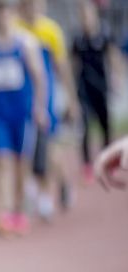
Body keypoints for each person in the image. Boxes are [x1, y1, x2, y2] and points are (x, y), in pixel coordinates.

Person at [0, 0, 47, 237]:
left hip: (22, 114)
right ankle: (3, 213)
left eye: (6, 10)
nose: (2, 16)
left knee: (20, 166)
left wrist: (40, 107)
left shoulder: (26, 43)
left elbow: (39, 78)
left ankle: (18, 211)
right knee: (2, 161)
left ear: (13, 13)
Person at [15, 0, 81, 218]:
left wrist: (72, 100)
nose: (34, 8)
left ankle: (60, 184)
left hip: (46, 99)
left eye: (37, 4)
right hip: (21, 99)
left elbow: (62, 68)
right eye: (29, 4)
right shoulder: (16, 29)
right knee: (26, 151)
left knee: (49, 149)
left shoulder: (51, 31)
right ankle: (34, 190)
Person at [71, 0, 122, 184]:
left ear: (94, 16)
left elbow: (114, 56)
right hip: (83, 90)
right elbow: (72, 66)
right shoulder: (77, 39)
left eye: (88, 15)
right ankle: (86, 166)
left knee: (105, 126)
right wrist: (71, 96)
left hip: (101, 88)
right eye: (82, 16)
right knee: (84, 128)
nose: (86, 19)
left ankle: (108, 162)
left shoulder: (104, 33)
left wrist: (118, 77)